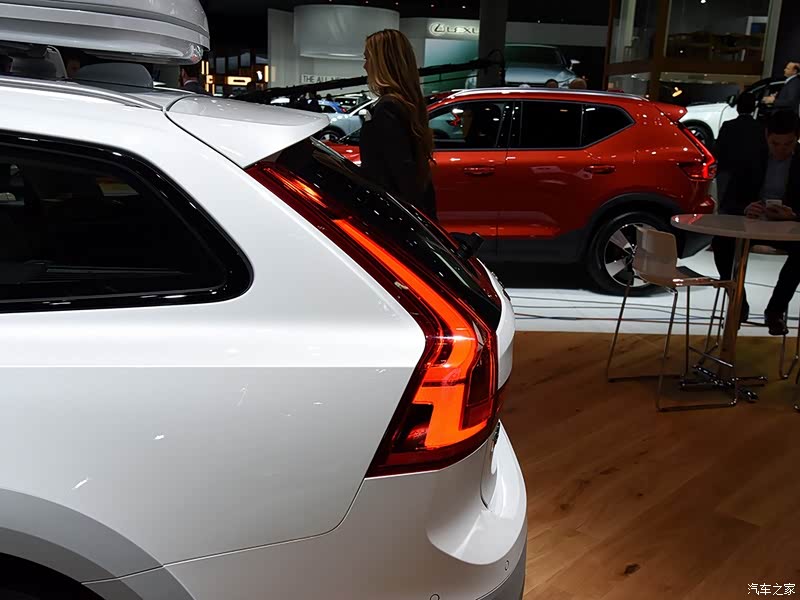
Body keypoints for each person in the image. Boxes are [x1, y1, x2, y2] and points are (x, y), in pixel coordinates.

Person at [712, 110, 800, 335]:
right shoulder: (751, 157)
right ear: (767, 136)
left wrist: (793, 214)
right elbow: (730, 199)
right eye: (775, 144)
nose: (781, 150)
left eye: (788, 144)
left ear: (796, 139)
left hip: (788, 226)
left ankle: (775, 310)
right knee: (721, 243)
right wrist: (746, 207)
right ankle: (738, 303)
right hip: (752, 223)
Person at [359, 29, 436, 220]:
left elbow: (401, 172)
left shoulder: (388, 107)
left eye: (367, 58)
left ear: (382, 63)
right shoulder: (406, 103)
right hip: (405, 212)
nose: (365, 66)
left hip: (391, 215)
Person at [714, 92, 766, 202]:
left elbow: (718, 149)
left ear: (738, 107)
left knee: (725, 205)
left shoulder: (728, 126)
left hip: (728, 173)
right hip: (752, 175)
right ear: (753, 108)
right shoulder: (760, 128)